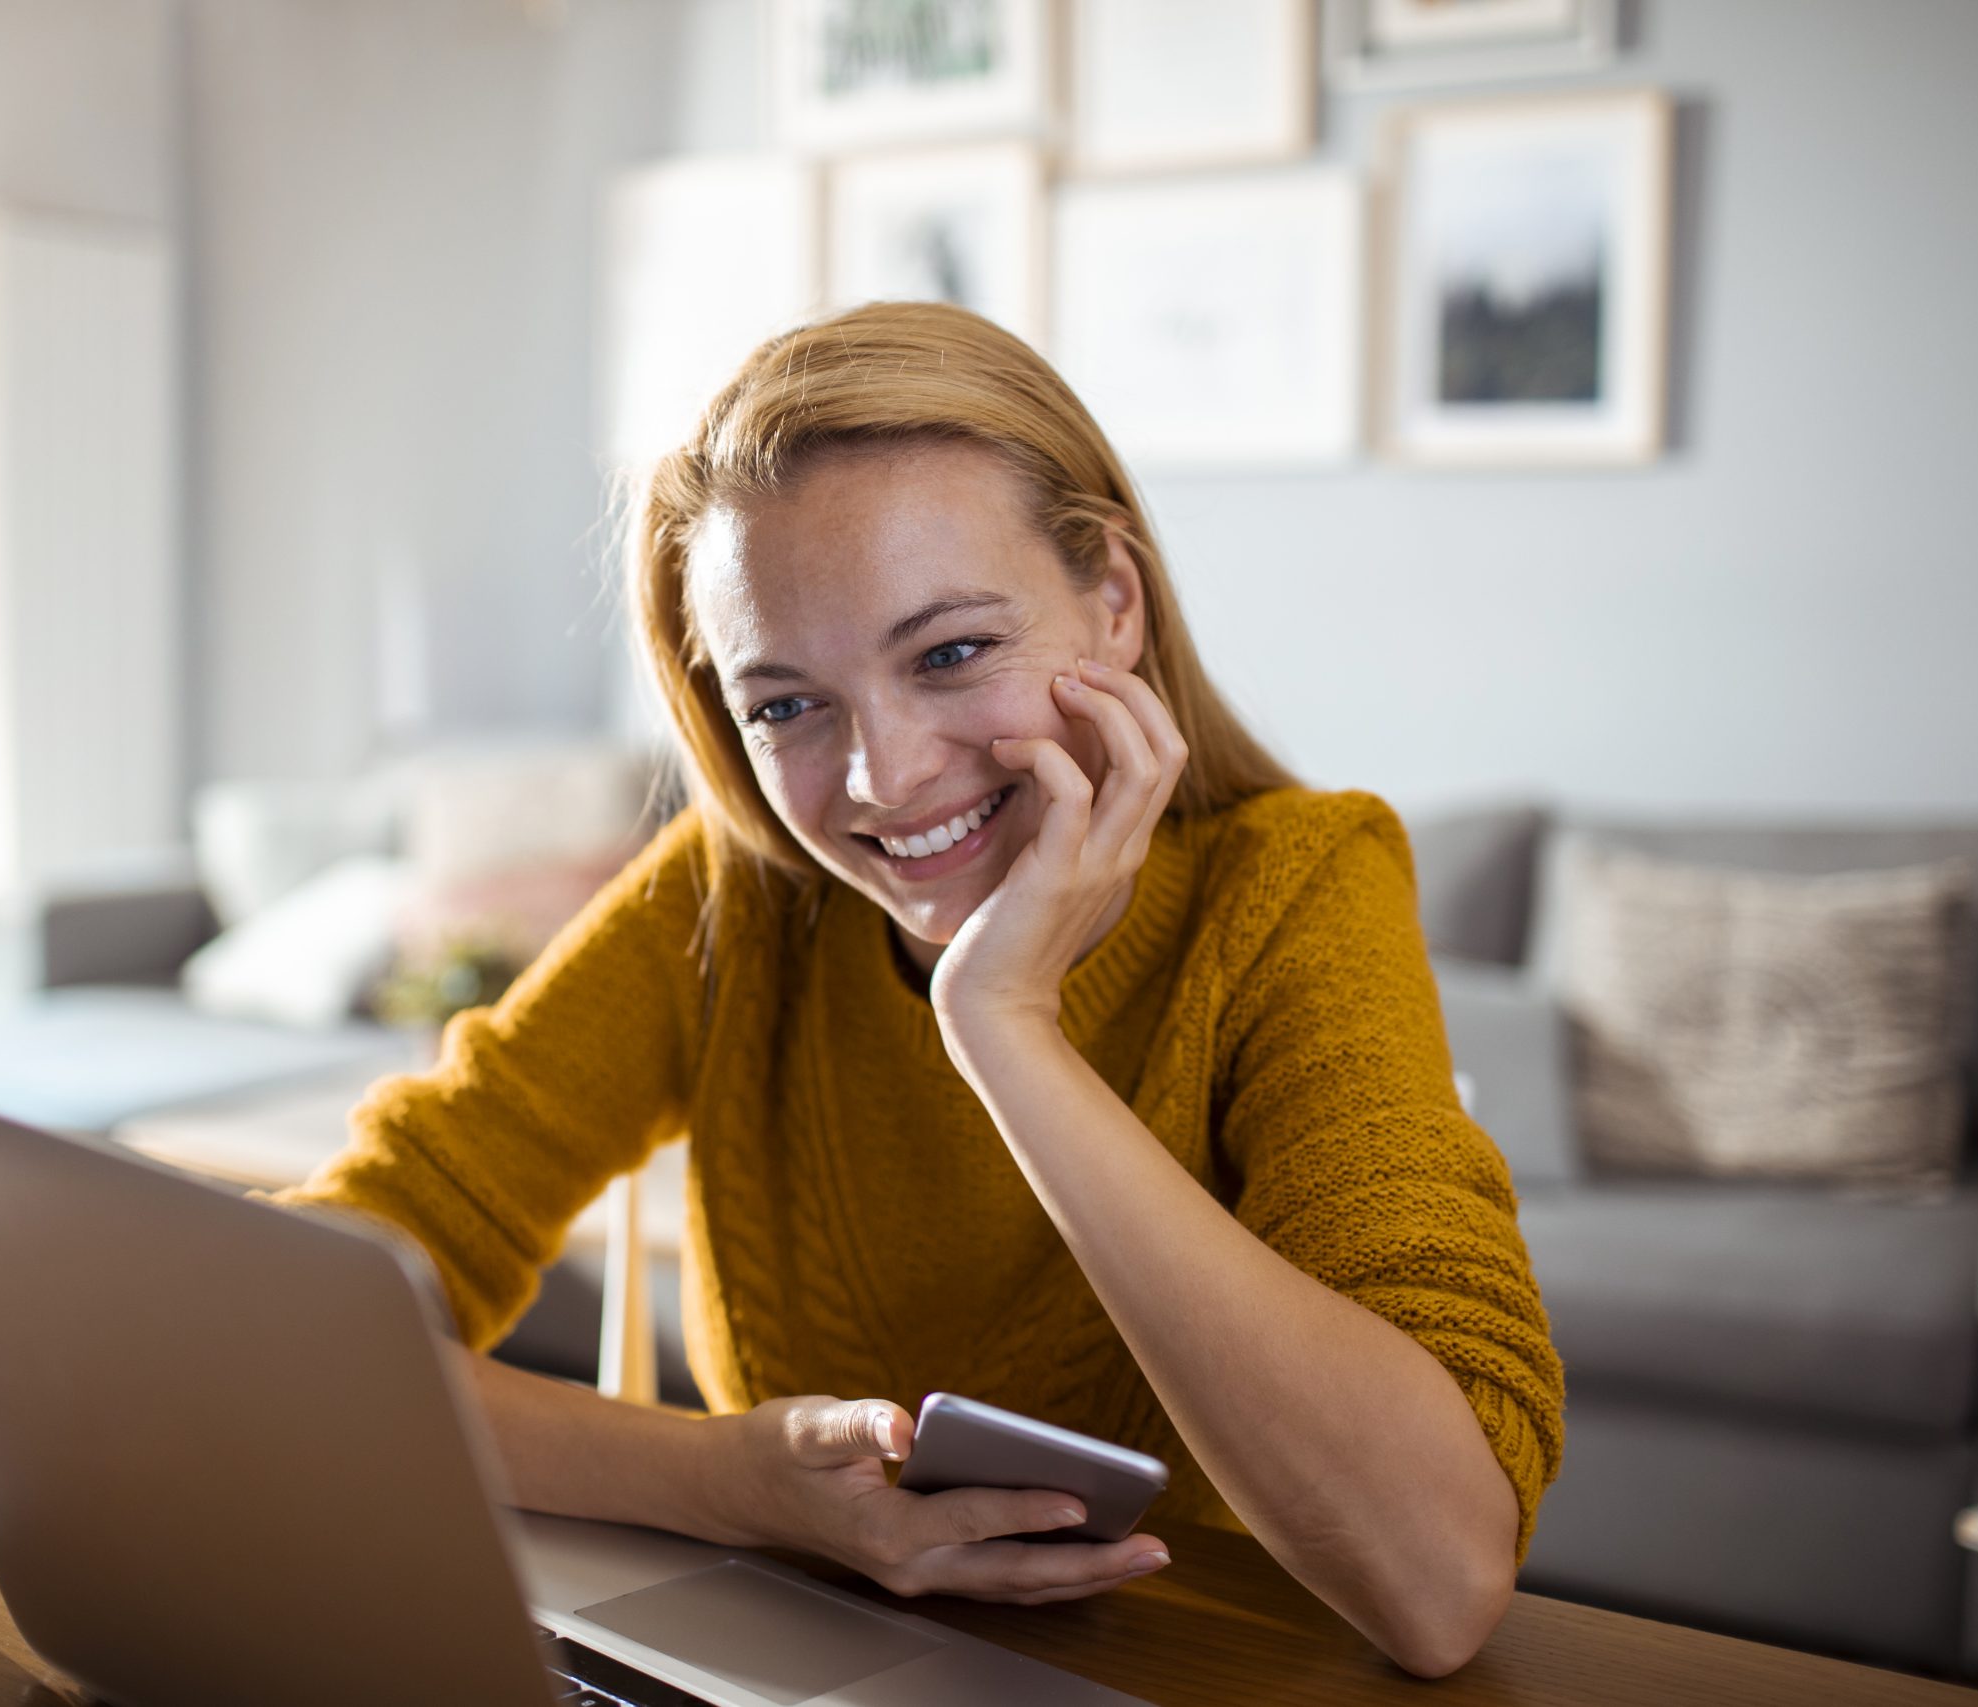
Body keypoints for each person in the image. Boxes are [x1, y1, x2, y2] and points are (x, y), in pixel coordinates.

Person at [275, 301, 1564, 1677]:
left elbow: (1437, 1580)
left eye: (949, 653)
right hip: (791, 1664)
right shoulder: (738, 896)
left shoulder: (1297, 885)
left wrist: (1002, 1027)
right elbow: (297, 1334)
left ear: (1112, 605)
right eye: (786, 705)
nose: (884, 779)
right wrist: (732, 1481)